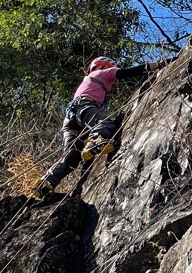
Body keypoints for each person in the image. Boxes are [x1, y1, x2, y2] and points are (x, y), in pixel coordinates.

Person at [33, 56, 173, 199]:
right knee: (105, 123)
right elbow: (127, 72)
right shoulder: (101, 73)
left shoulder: (90, 82)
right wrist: (160, 64)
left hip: (70, 119)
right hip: (84, 107)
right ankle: (95, 140)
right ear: (104, 65)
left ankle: (46, 182)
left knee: (71, 156)